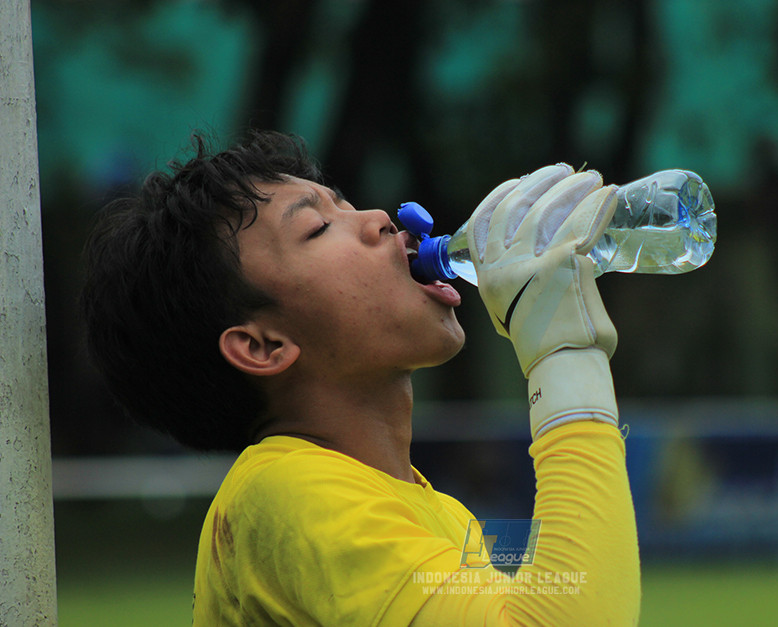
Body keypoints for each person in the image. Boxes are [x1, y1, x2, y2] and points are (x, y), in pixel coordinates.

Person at [81, 130, 641, 625]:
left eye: (346, 204)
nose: (379, 220)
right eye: (319, 227)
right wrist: (564, 352)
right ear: (263, 346)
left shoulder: (435, 511)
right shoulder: (284, 494)